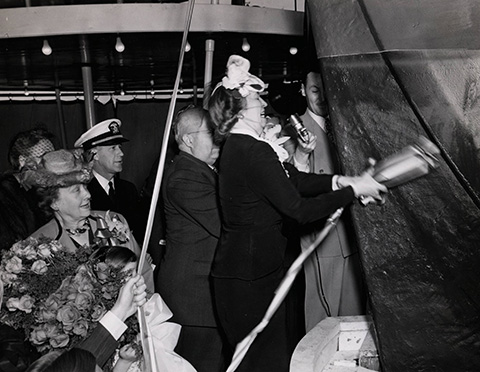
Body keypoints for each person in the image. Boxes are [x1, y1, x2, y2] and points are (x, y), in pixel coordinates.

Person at [207, 55, 387, 372]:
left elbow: (295, 179)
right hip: (250, 281)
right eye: (256, 99)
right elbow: (299, 210)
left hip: (243, 276)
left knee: (259, 360)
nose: (263, 103)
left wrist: (338, 180)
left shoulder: (241, 146)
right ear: (238, 111)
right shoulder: (253, 150)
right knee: (265, 363)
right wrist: (352, 192)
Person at [292, 69, 367, 332]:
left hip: (354, 240)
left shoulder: (347, 128)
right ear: (302, 90)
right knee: (322, 325)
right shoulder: (292, 133)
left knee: (354, 324)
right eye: (314, 91)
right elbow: (292, 187)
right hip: (322, 243)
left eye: (326, 90)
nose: (322, 98)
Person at [19, 149, 154, 291]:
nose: (88, 194)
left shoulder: (114, 221)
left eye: (85, 187)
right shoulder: (37, 247)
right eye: (76, 191)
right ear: (54, 202)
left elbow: (143, 272)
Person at [156, 106, 224, 372]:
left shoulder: (200, 170)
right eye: (211, 133)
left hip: (201, 299)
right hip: (195, 301)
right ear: (188, 139)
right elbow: (226, 224)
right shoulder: (186, 175)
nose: (219, 139)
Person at [74, 119, 145, 243]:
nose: (121, 153)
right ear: (95, 154)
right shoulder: (82, 191)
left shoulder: (128, 189)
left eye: (120, 147)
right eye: (113, 148)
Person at [0, 128, 55, 253]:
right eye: (44, 156)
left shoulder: (42, 188)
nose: (51, 162)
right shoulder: (5, 193)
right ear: (22, 161)